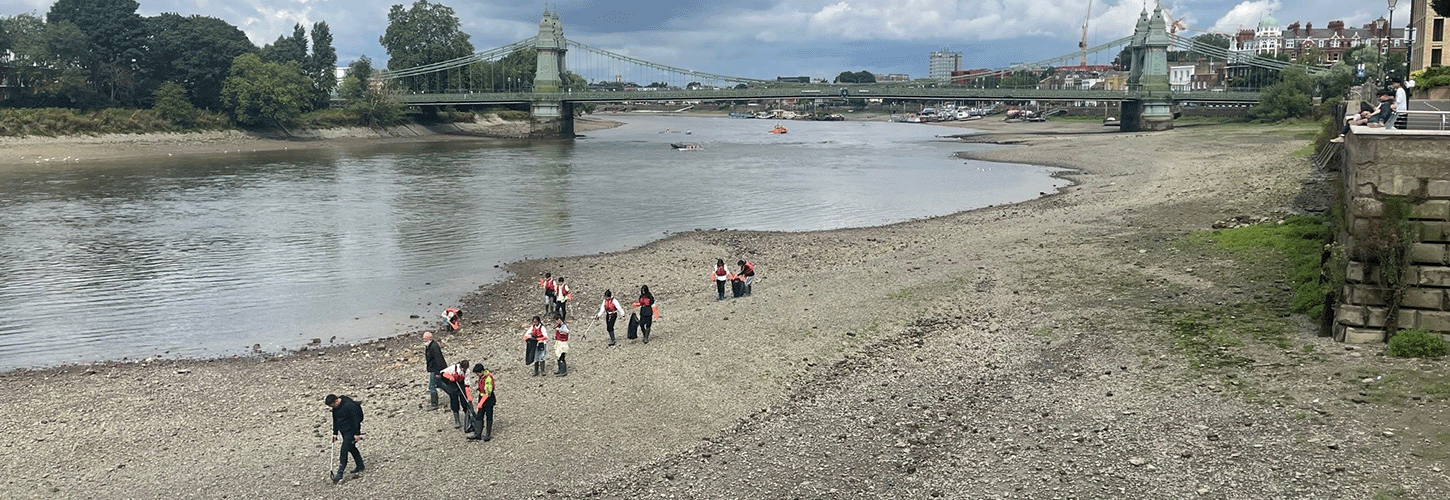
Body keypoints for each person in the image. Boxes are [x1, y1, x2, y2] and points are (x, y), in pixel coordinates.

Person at [325, 394, 364, 483]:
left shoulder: (350, 405)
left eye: (332, 405)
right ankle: (360, 465)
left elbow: (356, 420)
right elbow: (335, 420)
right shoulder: (335, 407)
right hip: (344, 430)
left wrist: (357, 433)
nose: (332, 407)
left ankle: (340, 474)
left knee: (344, 450)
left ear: (336, 401)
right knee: (351, 447)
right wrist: (335, 433)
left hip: (351, 430)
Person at [465, 363, 495, 441]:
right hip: (482, 397)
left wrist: (480, 403)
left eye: (477, 373)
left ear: (481, 371)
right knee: (479, 415)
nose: (477, 375)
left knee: (489, 415)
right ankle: (478, 433)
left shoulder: (488, 378)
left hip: (489, 399)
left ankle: (488, 434)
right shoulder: (482, 377)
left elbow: (488, 393)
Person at [439, 359, 471, 429]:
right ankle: (457, 420)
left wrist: (469, 396)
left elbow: (467, 384)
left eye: (465, 369)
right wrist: (449, 377)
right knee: (454, 402)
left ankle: (468, 418)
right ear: (461, 367)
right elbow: (442, 373)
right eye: (463, 369)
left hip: (461, 385)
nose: (464, 370)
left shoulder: (467, 372)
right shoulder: (453, 368)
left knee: (464, 402)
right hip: (453, 385)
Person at [423, 331, 446, 411]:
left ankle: (434, 404)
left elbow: (438, 359)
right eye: (423, 339)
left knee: (432, 386)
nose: (424, 340)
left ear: (430, 338)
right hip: (433, 368)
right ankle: (452, 393)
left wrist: (438, 372)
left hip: (435, 369)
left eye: (425, 338)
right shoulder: (429, 346)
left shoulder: (434, 347)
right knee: (440, 384)